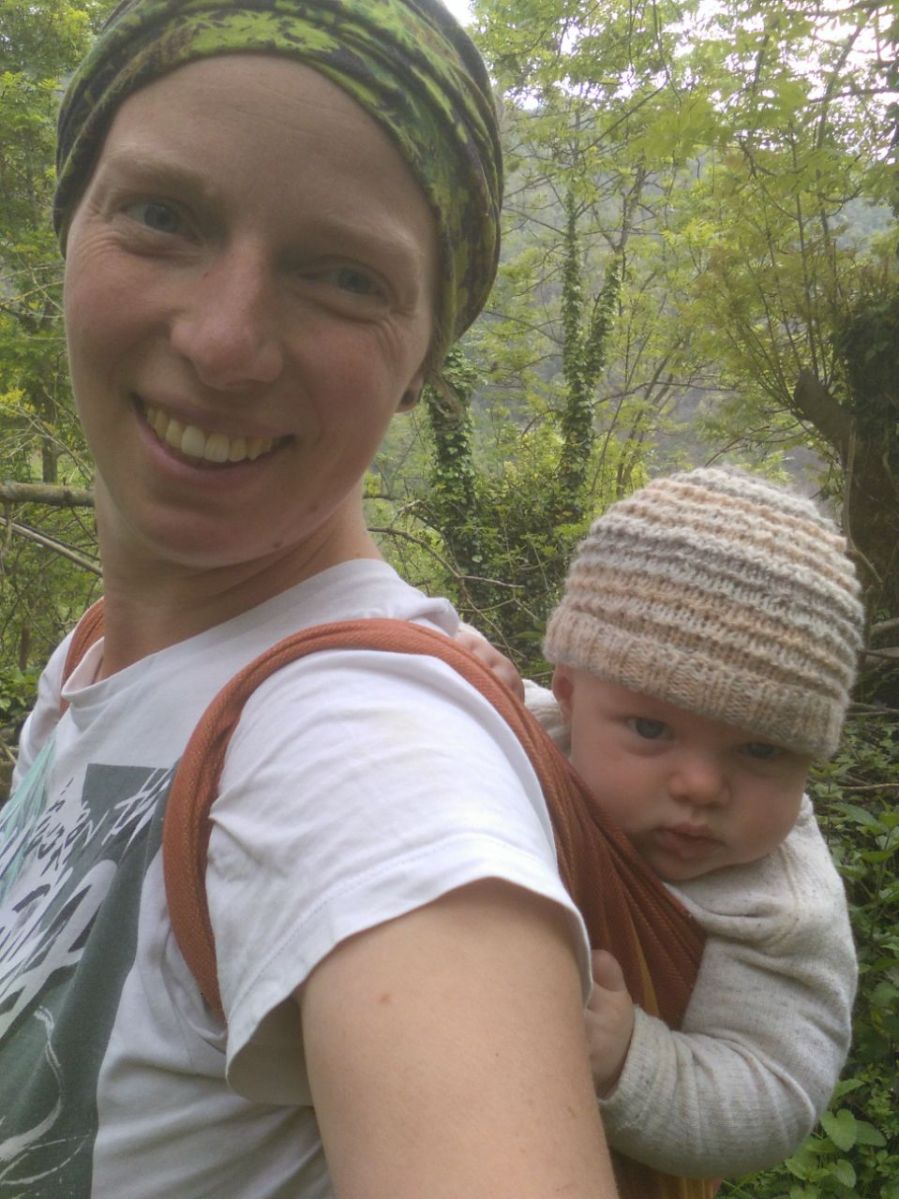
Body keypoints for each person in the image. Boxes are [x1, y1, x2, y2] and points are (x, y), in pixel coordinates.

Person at [0, 3, 621, 1196]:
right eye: (162, 215)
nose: (224, 341)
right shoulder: (96, 663)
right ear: (67, 219)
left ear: (421, 357)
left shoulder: (365, 755)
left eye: (342, 276)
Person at [525, 466, 864, 1179]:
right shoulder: (537, 729)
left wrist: (630, 1060)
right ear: (569, 694)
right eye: (651, 728)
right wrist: (469, 669)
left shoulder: (780, 905)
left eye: (761, 749)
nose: (702, 787)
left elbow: (776, 1092)